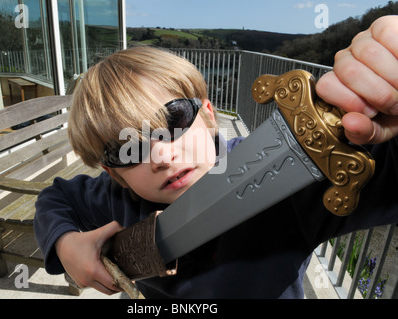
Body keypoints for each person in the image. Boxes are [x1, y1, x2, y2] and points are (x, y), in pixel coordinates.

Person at [34, 16, 398, 298]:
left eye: (173, 119)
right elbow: (57, 197)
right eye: (126, 150)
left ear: (208, 115)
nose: (161, 155)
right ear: (114, 173)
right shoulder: (116, 197)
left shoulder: (295, 186)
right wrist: (65, 243)